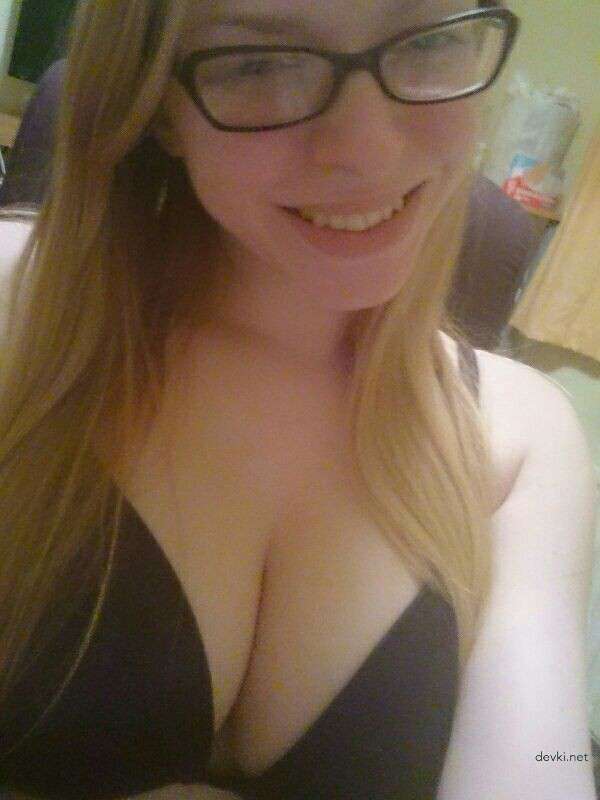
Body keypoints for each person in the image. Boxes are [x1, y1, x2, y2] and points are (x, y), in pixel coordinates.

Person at [0, 1, 597, 799]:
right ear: (160, 106)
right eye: (259, 63)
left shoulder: (526, 439)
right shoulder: (17, 321)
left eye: (431, 42)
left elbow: (551, 769)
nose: (367, 149)